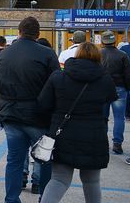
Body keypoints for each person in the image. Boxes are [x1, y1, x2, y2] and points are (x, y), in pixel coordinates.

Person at [37, 42, 117, 203]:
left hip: (63, 134)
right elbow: (109, 100)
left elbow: (43, 104)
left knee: (59, 179)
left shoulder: (58, 76)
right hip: (94, 135)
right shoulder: (105, 79)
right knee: (92, 181)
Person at [0, 16, 59, 203]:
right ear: (38, 34)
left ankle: (11, 199)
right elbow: (56, 85)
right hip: (38, 115)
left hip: (10, 114)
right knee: (44, 159)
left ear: (19, 32)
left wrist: (1, 108)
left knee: (14, 160)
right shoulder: (47, 54)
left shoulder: (3, 54)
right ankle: (44, 198)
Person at [99, 30, 130, 155]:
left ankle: (103, 142)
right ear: (115, 41)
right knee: (119, 118)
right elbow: (128, 75)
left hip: (102, 88)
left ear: (102, 41)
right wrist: (127, 88)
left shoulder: (98, 54)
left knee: (103, 117)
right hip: (119, 88)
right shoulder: (122, 54)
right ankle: (117, 144)